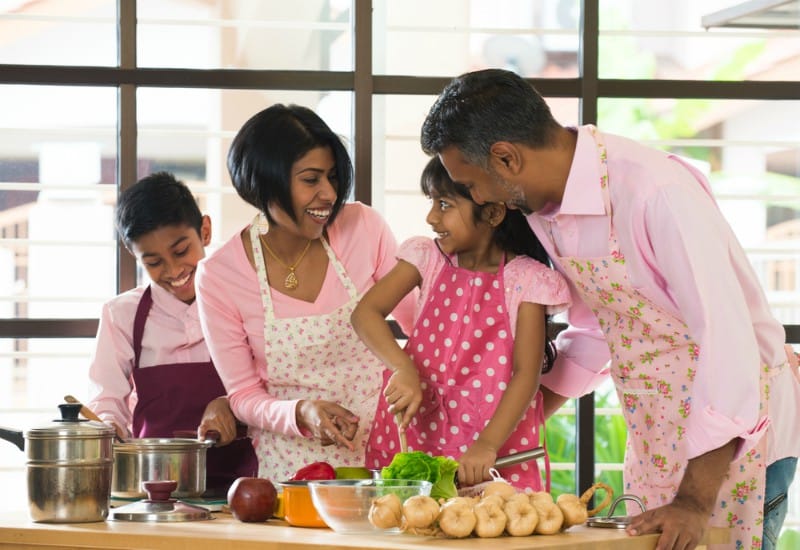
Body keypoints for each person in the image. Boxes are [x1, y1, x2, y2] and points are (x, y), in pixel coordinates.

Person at [420, 68, 800, 550]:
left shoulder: (656, 192)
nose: (478, 200)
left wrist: (694, 500)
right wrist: (507, 430)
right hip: (658, 435)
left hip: (737, 440)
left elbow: (729, 344)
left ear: (506, 157)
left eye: (469, 184)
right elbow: (598, 330)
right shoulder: (544, 208)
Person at [194, 104, 416, 482]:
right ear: (265, 182)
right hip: (290, 469)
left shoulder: (364, 227)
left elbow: (421, 327)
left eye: (332, 177)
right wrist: (302, 413)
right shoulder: (219, 276)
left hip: (386, 455)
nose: (329, 194)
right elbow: (244, 395)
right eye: (311, 180)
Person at [352, 156, 570, 492]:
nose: (431, 217)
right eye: (431, 203)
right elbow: (365, 313)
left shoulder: (528, 280)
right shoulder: (426, 257)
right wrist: (403, 368)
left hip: (489, 447)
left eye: (444, 204)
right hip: (418, 432)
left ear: (493, 213)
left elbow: (526, 374)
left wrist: (487, 445)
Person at [87, 171, 258, 497]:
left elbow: (270, 383)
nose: (174, 271)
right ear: (133, 255)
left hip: (247, 484)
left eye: (181, 251)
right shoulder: (122, 315)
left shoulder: (246, 300)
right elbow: (108, 399)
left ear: (205, 231)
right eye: (153, 262)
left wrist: (229, 404)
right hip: (155, 488)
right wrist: (109, 427)